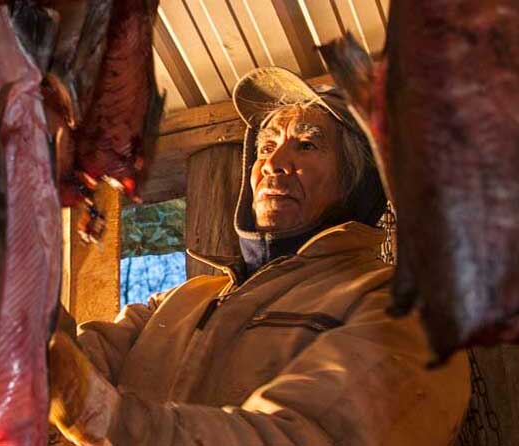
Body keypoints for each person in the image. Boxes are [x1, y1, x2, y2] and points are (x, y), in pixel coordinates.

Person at [48, 67, 471, 445]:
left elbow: (309, 436)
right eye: (267, 146)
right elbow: (69, 365)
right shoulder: (180, 299)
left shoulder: (400, 310)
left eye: (306, 145)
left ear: (358, 183)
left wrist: (104, 416)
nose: (273, 163)